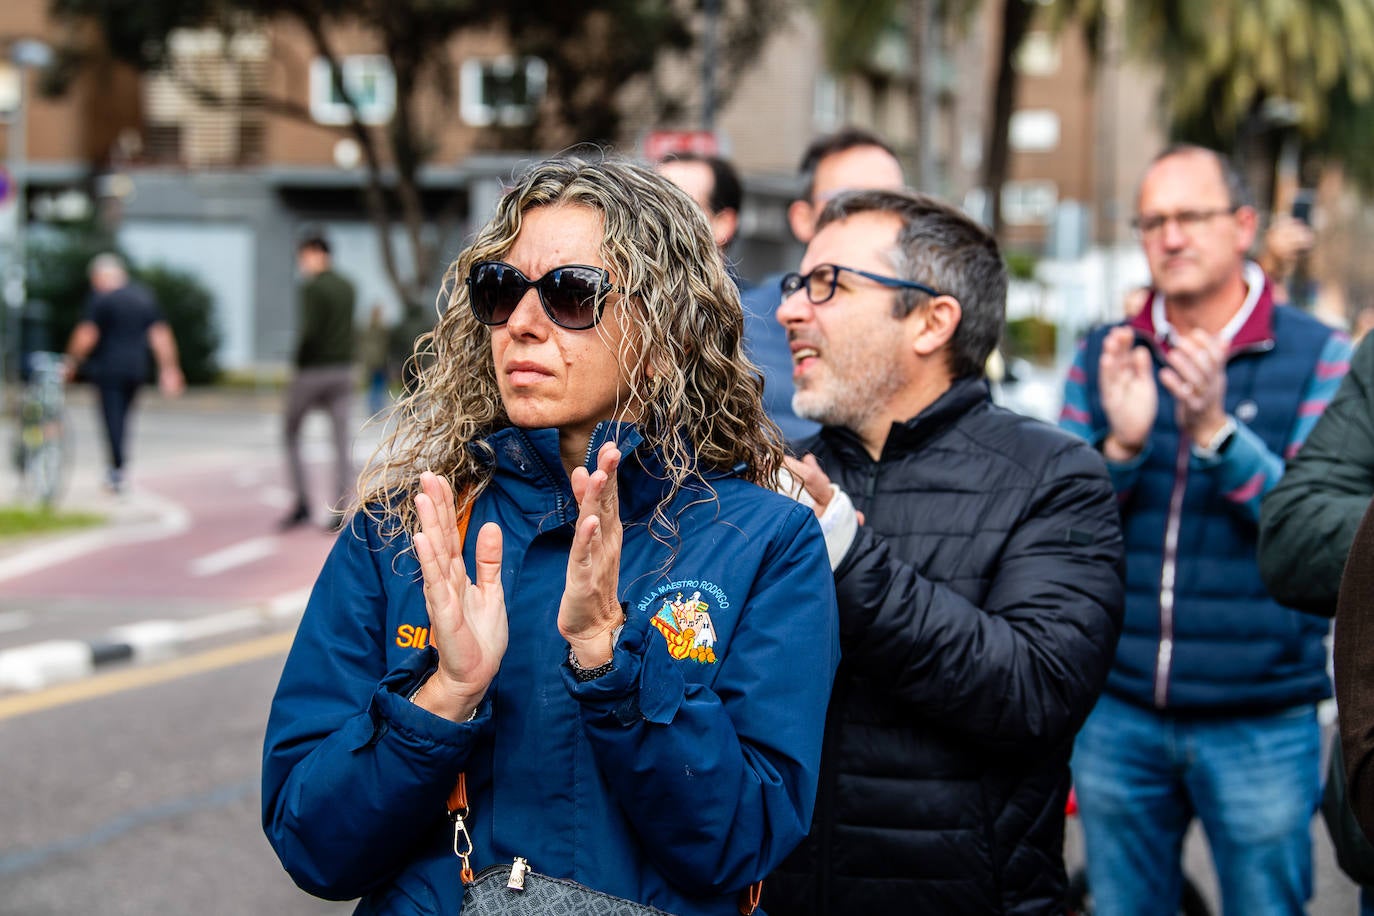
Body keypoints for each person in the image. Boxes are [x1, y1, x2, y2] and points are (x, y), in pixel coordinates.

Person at [261, 156, 840, 915]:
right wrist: (444, 697)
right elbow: (314, 846)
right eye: (501, 291)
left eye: (572, 294)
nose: (523, 324)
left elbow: (740, 839)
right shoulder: (404, 529)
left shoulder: (767, 541)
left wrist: (610, 660)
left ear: (665, 332)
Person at [765, 187, 1125, 913]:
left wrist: (842, 550)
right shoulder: (773, 476)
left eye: (828, 285)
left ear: (932, 320)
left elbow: (1035, 691)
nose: (790, 311)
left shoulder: (1054, 477)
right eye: (797, 284)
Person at [1059, 144, 1352, 915]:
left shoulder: (1321, 355)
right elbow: (1059, 528)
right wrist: (1119, 451)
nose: (1171, 236)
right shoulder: (1105, 351)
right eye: (1153, 220)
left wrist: (1217, 434)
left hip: (1262, 716)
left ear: (1244, 225)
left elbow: (1319, 531)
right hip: (1117, 711)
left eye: (1191, 216)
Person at [741, 128, 906, 441]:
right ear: (803, 219)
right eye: (850, 204)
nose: (874, 219)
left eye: (892, 203)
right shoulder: (739, 329)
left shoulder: (925, 323)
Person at [63, 253, 184, 492]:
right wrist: (169, 369)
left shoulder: (101, 299)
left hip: (108, 369)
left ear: (100, 277)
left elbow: (87, 334)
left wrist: (71, 362)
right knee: (125, 418)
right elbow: (160, 335)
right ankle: (119, 467)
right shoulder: (144, 297)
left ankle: (117, 470)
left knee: (112, 418)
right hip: (136, 368)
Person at [281, 232, 357, 531]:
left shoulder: (313, 288)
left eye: (303, 257)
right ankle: (339, 508)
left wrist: (297, 362)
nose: (302, 264)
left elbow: (309, 332)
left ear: (315, 252)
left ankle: (302, 501)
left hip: (313, 370)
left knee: (290, 431)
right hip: (343, 370)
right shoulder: (348, 286)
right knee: (340, 441)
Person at [655, 151, 747, 287]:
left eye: (677, 206)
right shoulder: (626, 300)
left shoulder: (762, 305)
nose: (656, 217)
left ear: (723, 224)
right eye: (652, 203)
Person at [358, 303, 393, 416]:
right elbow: (387, 345)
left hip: (369, 360)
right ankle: (377, 408)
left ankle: (373, 408)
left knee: (373, 384)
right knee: (379, 384)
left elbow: (362, 344)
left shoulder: (366, 328)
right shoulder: (382, 329)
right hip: (380, 360)